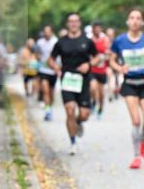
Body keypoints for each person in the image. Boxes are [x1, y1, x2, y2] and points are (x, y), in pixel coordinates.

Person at [108, 8, 144, 170]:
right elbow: (111, 61)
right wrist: (120, 68)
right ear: (127, 22)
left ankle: (142, 139)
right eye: (131, 18)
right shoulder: (119, 41)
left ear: (142, 22)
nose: (134, 21)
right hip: (130, 84)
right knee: (136, 121)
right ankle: (136, 156)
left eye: (138, 18)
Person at [48, 13, 98, 156]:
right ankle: (73, 142)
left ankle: (78, 122)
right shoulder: (61, 42)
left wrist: (88, 65)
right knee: (69, 110)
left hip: (83, 81)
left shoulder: (87, 41)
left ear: (80, 23)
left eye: (76, 21)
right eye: (71, 21)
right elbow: (50, 59)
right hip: (67, 80)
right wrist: (56, 67)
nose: (74, 24)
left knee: (84, 114)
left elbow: (98, 57)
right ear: (67, 24)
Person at [35, 25, 58, 120]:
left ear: (51, 32)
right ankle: (47, 111)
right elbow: (37, 53)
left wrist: (57, 66)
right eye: (45, 32)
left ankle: (50, 107)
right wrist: (39, 58)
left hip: (53, 70)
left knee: (51, 93)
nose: (46, 33)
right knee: (45, 90)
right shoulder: (40, 42)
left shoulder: (56, 41)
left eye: (48, 32)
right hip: (43, 70)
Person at [89, 22, 111, 119]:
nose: (97, 30)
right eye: (95, 28)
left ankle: (100, 109)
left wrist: (105, 56)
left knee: (101, 93)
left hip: (102, 69)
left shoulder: (105, 39)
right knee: (93, 88)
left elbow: (109, 53)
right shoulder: (89, 40)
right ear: (92, 29)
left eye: (99, 28)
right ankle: (93, 101)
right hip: (92, 69)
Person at [105, 26, 121, 101]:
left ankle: (116, 90)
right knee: (110, 78)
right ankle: (111, 94)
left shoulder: (117, 42)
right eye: (108, 35)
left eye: (111, 35)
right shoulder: (104, 43)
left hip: (117, 64)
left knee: (118, 79)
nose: (110, 37)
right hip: (108, 64)